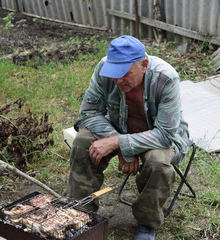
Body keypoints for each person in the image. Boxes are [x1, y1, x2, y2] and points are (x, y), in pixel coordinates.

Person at [68, 35, 189, 240]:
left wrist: (120, 144)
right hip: (117, 127)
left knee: (158, 162)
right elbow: (89, 113)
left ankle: (146, 223)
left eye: (124, 73)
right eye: (114, 74)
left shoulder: (166, 78)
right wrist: (119, 141)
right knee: (82, 143)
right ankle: (80, 213)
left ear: (143, 64)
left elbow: (165, 134)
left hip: (160, 136)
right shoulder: (103, 68)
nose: (118, 80)